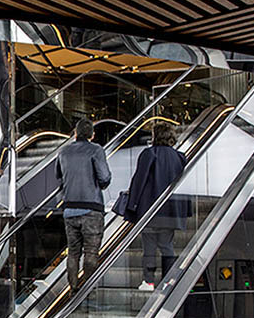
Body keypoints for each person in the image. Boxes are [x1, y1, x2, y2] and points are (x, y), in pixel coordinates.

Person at [123, 121, 188, 291]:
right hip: (171, 212)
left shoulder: (149, 154)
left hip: (150, 211)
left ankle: (149, 281)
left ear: (155, 136)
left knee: (149, 247)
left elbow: (139, 180)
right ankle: (168, 281)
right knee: (167, 246)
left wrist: (132, 205)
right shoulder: (180, 158)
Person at [56, 117, 112, 291]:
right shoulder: (96, 150)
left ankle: (73, 288)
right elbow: (104, 177)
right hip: (91, 209)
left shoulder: (63, 152)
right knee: (91, 252)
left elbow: (59, 176)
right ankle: (88, 290)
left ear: (75, 133)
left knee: (73, 252)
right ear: (92, 135)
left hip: (69, 209)